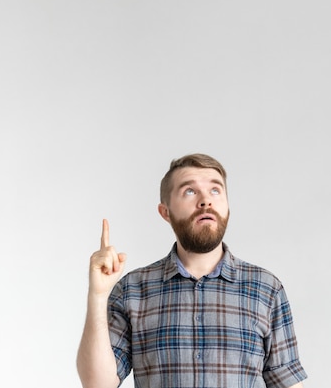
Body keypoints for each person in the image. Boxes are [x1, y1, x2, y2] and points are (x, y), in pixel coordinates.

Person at [77, 153, 307, 388]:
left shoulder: (266, 289)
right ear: (165, 212)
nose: (206, 200)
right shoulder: (132, 289)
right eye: (190, 191)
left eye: (216, 191)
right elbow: (97, 384)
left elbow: (286, 382)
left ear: (227, 206)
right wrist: (97, 295)